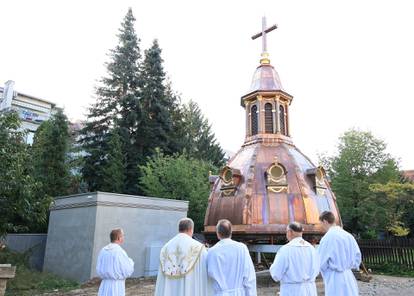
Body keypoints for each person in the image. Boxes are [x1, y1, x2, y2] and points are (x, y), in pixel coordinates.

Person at [154, 218, 212, 296]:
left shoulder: (166, 247)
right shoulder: (198, 248)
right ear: (191, 229)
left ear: (179, 229)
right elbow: (207, 270)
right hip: (190, 288)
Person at [207, 219, 257, 296]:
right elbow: (249, 277)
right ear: (231, 232)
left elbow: (210, 275)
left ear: (217, 233)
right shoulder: (242, 248)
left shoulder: (212, 251)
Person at [318, 211, 361, 296]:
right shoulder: (348, 236)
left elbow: (321, 260)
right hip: (348, 275)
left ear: (325, 221)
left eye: (321, 224)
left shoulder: (328, 237)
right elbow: (357, 257)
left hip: (335, 277)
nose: (322, 227)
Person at [269, 222, 319, 296]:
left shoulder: (286, 250)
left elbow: (276, 274)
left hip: (292, 291)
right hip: (310, 290)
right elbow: (317, 270)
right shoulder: (312, 249)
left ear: (290, 232)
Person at [96, 228, 134, 296]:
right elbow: (127, 269)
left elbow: (98, 267)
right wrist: (131, 262)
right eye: (123, 236)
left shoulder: (103, 250)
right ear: (118, 238)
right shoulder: (119, 251)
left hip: (104, 284)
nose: (123, 237)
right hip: (116, 285)